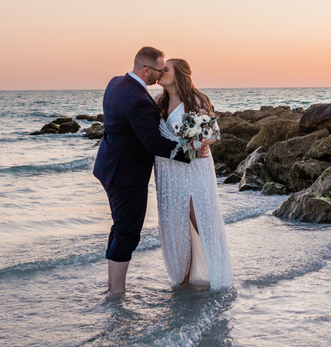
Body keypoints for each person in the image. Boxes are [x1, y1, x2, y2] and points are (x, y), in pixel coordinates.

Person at [92, 46, 200, 296]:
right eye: (159, 69)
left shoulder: (116, 83)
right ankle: (117, 292)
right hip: (126, 175)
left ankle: (111, 285)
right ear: (146, 70)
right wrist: (191, 153)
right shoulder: (139, 100)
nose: (161, 73)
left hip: (109, 167)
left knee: (119, 227)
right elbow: (153, 143)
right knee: (128, 231)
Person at [154, 59, 234, 289]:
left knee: (196, 216)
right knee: (176, 223)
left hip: (193, 167)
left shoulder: (197, 100)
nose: (160, 72)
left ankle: (216, 271)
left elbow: (213, 133)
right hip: (167, 170)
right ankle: (185, 277)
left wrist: (199, 143)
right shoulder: (158, 102)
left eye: (165, 69)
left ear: (179, 74)